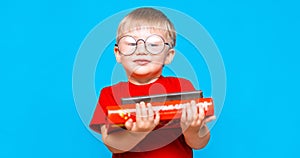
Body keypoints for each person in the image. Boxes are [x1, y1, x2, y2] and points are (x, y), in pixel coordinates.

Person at [90, 7, 215, 158]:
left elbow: (199, 143)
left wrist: (192, 130)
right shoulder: (109, 94)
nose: (141, 50)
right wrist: (137, 133)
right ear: (118, 53)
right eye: (131, 44)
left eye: (153, 45)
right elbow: (113, 145)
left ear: (168, 56)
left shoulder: (182, 88)